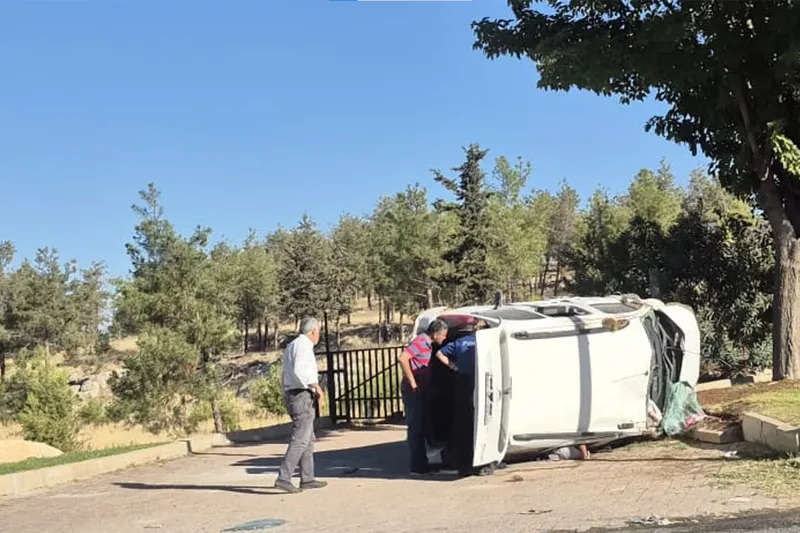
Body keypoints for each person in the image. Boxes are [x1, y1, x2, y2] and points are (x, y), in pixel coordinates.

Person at [274, 317, 328, 494]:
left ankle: (307, 477)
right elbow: (300, 370)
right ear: (313, 331)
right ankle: (284, 477)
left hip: (294, 393)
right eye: (318, 331)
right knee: (301, 438)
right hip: (301, 394)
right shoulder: (303, 346)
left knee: (308, 438)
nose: (319, 334)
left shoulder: (294, 345)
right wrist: (315, 385)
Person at [398, 319, 449, 475]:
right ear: (435, 334)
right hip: (414, 392)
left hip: (422, 390)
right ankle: (417, 467)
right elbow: (403, 358)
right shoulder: (420, 342)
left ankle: (423, 463)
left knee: (422, 427)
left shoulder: (428, 346)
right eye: (444, 335)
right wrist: (412, 382)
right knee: (416, 429)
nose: (445, 338)